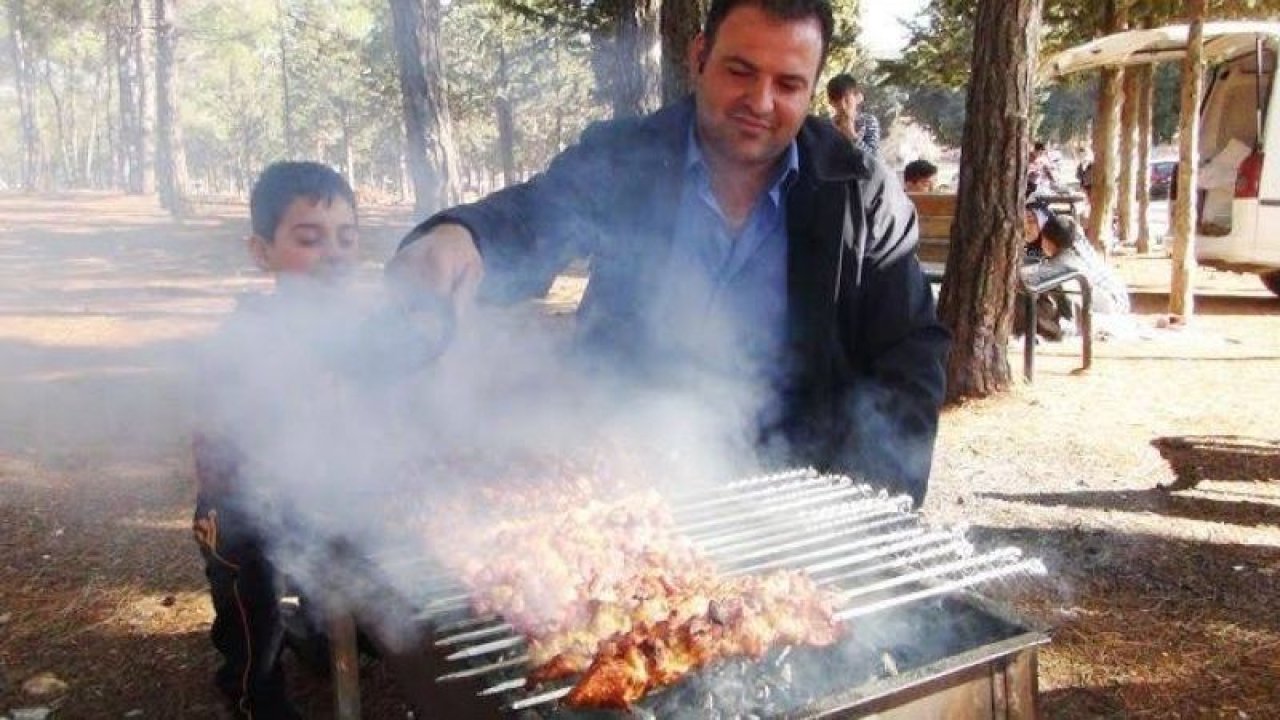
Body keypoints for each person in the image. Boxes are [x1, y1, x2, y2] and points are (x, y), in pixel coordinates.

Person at [387, 0, 949, 505]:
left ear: (811, 90)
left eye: (788, 84)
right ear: (699, 56)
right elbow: (535, 214)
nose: (760, 101)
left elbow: (910, 359)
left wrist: (865, 508)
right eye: (740, 71)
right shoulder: (628, 155)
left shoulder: (860, 194)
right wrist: (464, 236)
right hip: (624, 490)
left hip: (791, 502)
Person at [192, 161, 360, 719]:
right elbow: (230, 437)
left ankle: (316, 639)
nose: (333, 253)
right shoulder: (245, 338)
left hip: (318, 493)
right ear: (262, 252)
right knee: (253, 611)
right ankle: (251, 695)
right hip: (240, 507)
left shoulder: (358, 333)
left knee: (332, 573)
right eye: (309, 239)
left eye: (346, 238)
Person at [1017, 204, 1130, 340]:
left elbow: (1029, 279)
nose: (1027, 227)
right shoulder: (1077, 245)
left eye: (1032, 221)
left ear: (1047, 240)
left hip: (1106, 309)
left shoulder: (1064, 263)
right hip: (1120, 300)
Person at [826, 73, 880, 155]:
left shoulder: (868, 121)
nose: (843, 106)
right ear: (831, 103)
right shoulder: (828, 127)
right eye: (837, 102)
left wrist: (852, 135)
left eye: (847, 100)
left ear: (857, 97)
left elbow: (873, 157)